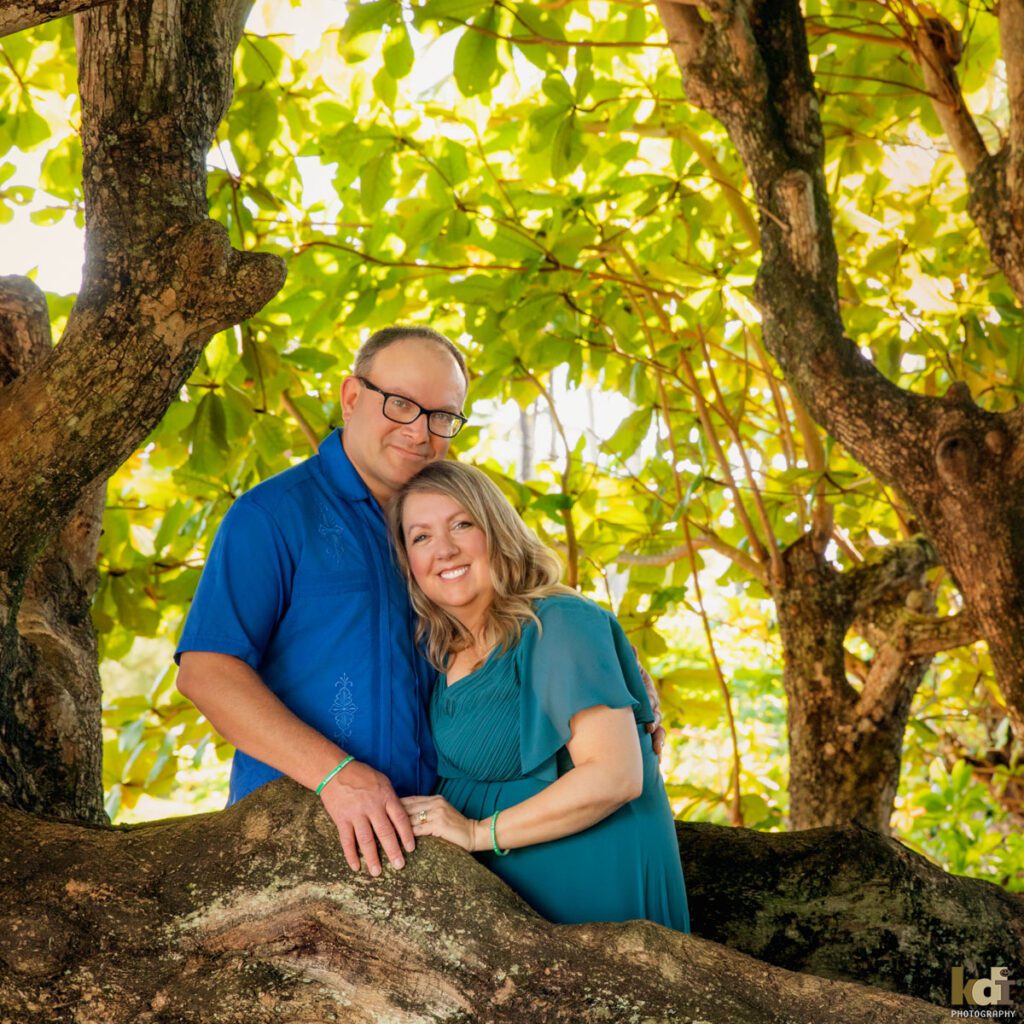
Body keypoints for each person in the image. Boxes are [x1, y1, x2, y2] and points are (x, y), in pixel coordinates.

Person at [175, 323, 668, 880]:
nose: (421, 431)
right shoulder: (272, 517)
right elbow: (206, 671)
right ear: (352, 397)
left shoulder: (439, 521)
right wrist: (335, 774)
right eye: (402, 404)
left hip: (441, 846)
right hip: (302, 831)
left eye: (442, 416)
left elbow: (516, 601)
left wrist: (610, 664)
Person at [390, 460, 690, 930]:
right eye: (421, 537)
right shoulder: (441, 649)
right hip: (503, 905)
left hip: (591, 892)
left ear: (498, 530)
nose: (443, 550)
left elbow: (616, 776)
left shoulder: (561, 623)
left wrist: (474, 832)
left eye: (462, 525)